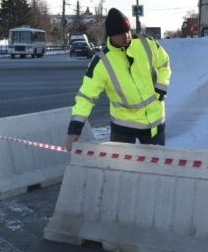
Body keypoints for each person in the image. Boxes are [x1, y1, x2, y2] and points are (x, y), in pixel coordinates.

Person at [65, 8, 171, 150]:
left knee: (156, 168)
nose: (126, 36)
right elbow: (87, 96)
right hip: (123, 126)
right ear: (111, 35)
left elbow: (164, 63)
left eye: (127, 30)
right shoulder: (102, 61)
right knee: (119, 169)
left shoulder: (146, 43)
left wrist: (161, 89)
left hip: (155, 122)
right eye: (120, 33)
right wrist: (75, 129)